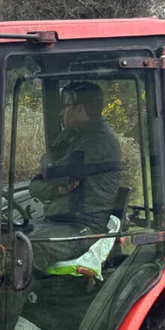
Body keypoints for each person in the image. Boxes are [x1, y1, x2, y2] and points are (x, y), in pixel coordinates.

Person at [24, 81, 122, 274]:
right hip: (60, 221)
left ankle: (20, 300)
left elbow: (51, 171)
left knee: (25, 246)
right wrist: (51, 179)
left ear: (79, 109)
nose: (61, 113)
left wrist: (47, 167)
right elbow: (40, 179)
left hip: (84, 229)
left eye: (65, 107)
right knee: (8, 233)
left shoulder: (99, 142)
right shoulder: (71, 135)